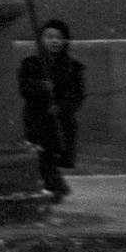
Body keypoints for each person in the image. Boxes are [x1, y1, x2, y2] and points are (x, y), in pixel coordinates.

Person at [19, 17, 87, 201]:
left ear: (65, 41)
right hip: (36, 120)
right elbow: (23, 87)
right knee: (41, 155)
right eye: (49, 36)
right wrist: (41, 86)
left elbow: (77, 95)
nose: (54, 41)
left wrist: (61, 108)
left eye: (58, 37)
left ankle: (54, 188)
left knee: (50, 157)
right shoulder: (31, 64)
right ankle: (55, 188)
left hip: (60, 121)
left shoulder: (73, 68)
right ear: (41, 40)